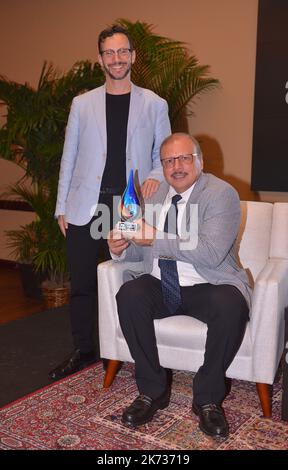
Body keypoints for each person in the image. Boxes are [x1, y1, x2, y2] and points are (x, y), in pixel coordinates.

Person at [108, 132, 252, 438]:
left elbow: (210, 253)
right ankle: (152, 390)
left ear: (199, 161)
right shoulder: (154, 194)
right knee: (129, 295)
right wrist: (119, 247)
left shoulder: (220, 194)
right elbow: (140, 247)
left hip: (207, 282)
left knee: (231, 305)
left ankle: (208, 398)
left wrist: (154, 238)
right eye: (168, 160)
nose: (177, 166)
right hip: (162, 282)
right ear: (161, 166)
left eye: (184, 158)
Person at [49, 25, 171, 381]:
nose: (116, 59)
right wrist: (61, 206)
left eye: (122, 52)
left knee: (123, 280)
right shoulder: (82, 104)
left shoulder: (154, 104)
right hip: (85, 205)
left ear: (133, 56)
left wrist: (156, 175)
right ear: (100, 58)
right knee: (84, 283)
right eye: (109, 53)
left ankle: (117, 351)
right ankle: (84, 350)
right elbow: (68, 158)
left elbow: (162, 154)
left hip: (126, 208)